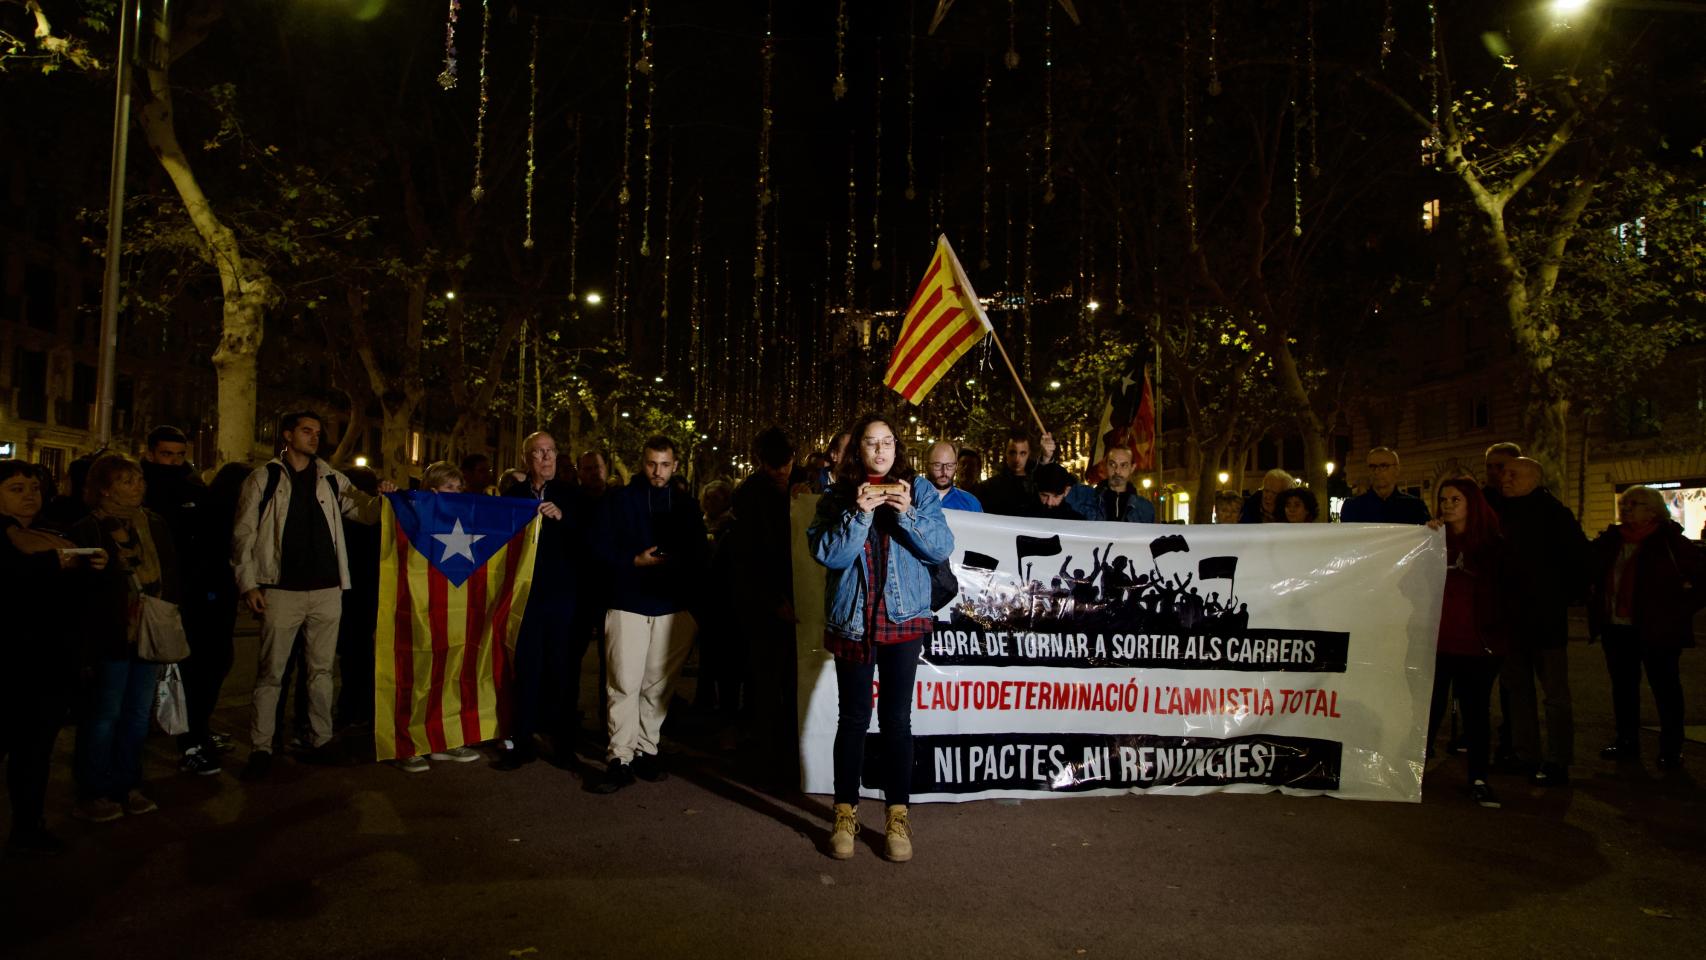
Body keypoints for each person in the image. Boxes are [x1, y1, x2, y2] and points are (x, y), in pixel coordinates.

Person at [809, 413, 953, 862]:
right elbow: (829, 554)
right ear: (859, 451)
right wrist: (860, 511)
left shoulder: (921, 490)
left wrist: (907, 512)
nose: (880, 450)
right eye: (871, 443)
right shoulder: (837, 496)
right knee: (852, 719)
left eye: (887, 442)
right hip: (853, 619)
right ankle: (845, 815)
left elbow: (941, 547)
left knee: (897, 720)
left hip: (904, 617)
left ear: (897, 447)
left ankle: (896, 817)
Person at [231, 412, 388, 782]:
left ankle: (319, 739)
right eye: (307, 431)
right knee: (272, 672)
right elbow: (243, 534)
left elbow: (364, 513)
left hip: (327, 590)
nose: (315, 438)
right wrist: (249, 584)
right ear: (287, 435)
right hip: (281, 589)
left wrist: (385, 499)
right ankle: (262, 747)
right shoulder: (264, 478)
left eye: (318, 432)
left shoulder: (332, 478)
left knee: (320, 672)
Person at [1, 460, 107, 854]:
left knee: (34, 754)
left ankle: (28, 829)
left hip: (46, 666)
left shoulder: (52, 532)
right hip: (9, 664)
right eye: (16, 488)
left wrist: (91, 566)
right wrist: (56, 559)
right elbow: (17, 570)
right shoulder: (16, 537)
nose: (28, 494)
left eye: (33, 487)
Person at [591, 436, 708, 794]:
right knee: (624, 682)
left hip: (672, 606)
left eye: (664, 465)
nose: (657, 472)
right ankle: (619, 757)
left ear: (675, 466)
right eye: (651, 464)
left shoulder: (686, 505)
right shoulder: (618, 500)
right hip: (627, 599)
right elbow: (598, 546)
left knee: (658, 685)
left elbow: (699, 554)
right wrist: (632, 561)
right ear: (642, 462)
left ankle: (645, 748)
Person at [68, 455, 180, 822]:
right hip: (112, 633)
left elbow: (169, 572)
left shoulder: (155, 524)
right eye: (126, 480)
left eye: (138, 479)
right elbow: (83, 589)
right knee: (105, 714)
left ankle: (128, 783)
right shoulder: (88, 528)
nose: (137, 486)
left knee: (136, 714)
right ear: (104, 487)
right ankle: (94, 789)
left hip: (149, 632)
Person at [1587, 486, 1706, 770]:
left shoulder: (1670, 542)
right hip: (1617, 627)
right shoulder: (1612, 539)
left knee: (1665, 688)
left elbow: (1702, 581)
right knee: (1624, 687)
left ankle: (1671, 747)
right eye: (1625, 504)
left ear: (1652, 511)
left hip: (1657, 628)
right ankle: (1626, 740)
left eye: (1634, 504)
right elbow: (1590, 570)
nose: (1626, 509)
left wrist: (1679, 609)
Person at [1496, 456, 1588, 787]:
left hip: (1545, 621)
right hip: (1512, 620)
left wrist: (1557, 596)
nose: (1505, 478)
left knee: (1554, 694)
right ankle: (1525, 754)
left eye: (1513, 474)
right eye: (1504, 474)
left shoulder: (1554, 515)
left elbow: (1579, 562)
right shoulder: (1501, 513)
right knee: (1517, 691)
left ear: (1534, 479)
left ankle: (1558, 759)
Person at [140, 425, 224, 776]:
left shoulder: (193, 488)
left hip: (193, 592)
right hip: (155, 595)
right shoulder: (142, 489)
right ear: (150, 453)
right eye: (166, 454)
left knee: (198, 668)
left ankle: (193, 735)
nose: (173, 461)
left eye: (178, 454)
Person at [388, 461, 483, 773]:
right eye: (448, 488)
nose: (456, 493)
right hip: (418, 607)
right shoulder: (412, 514)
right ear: (431, 490)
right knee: (418, 674)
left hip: (454, 608)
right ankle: (409, 743)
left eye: (459, 488)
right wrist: (388, 494)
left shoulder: (469, 517)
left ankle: (445, 740)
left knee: (452, 671)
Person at [1426, 479, 1512, 809]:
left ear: (1471, 503)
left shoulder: (1493, 545)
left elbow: (1507, 593)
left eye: (1455, 499)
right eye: (1443, 499)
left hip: (1479, 645)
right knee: (1430, 708)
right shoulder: (1433, 540)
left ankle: (1478, 778)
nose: (1447, 505)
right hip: (1439, 641)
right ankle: (1415, 771)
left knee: (1476, 712)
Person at [496, 432, 576, 771]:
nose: (546, 458)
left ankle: (563, 744)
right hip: (524, 597)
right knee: (526, 670)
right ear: (526, 457)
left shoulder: (573, 496)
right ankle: (522, 742)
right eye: (538, 452)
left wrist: (562, 519)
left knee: (561, 671)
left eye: (550, 451)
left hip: (561, 598)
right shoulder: (513, 495)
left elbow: (588, 540)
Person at [729, 427, 800, 782]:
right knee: (766, 682)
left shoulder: (802, 485)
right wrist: (773, 601)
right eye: (774, 467)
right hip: (764, 604)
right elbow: (748, 559)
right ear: (761, 463)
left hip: (799, 598)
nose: (781, 472)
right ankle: (768, 755)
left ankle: (792, 750)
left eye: (786, 464)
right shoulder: (749, 496)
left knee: (795, 683)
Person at [1339, 448, 1430, 524]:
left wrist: (1433, 528)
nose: (1377, 471)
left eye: (1384, 466)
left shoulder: (1415, 507)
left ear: (1397, 469)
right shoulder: (1352, 507)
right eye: (1372, 467)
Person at [979, 429, 1041, 517]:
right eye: (1012, 453)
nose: (1017, 459)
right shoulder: (988, 487)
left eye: (1022, 453)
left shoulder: (1038, 486)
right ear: (1005, 453)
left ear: (1028, 454)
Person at [1091, 446, 1156, 523]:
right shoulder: (1090, 502)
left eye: (1123, 465)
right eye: (1112, 464)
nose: (1117, 471)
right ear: (1105, 466)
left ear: (1132, 468)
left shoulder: (1145, 508)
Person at [923, 440, 982, 512]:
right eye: (937, 465)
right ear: (926, 465)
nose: (944, 472)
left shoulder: (971, 503)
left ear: (956, 466)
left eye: (950, 466)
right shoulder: (911, 499)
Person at [1482, 442, 1521, 512]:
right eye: (1489, 466)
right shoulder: (1480, 499)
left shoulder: (1533, 498)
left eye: (1500, 466)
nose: (1493, 471)